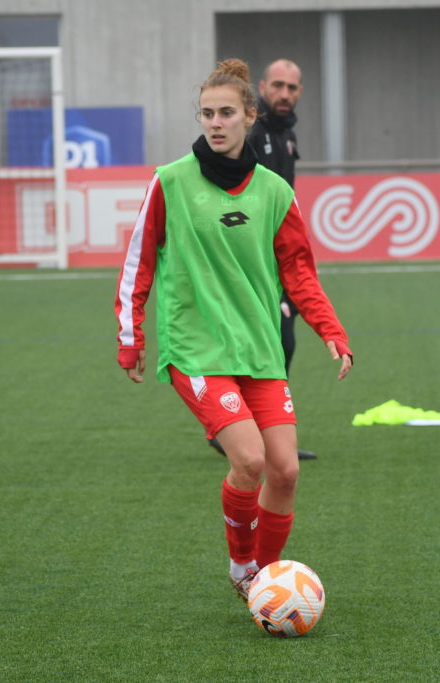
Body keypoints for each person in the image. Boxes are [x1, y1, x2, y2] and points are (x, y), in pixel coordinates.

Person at [114, 59, 353, 600]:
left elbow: (299, 270)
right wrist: (132, 337)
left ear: (250, 116)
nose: (215, 123)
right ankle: (244, 570)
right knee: (249, 460)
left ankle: (268, 579)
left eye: (226, 113)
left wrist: (330, 330)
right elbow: (138, 261)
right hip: (196, 349)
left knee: (285, 472)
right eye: (207, 114)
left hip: (259, 348)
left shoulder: (275, 190)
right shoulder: (170, 181)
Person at [212, 57, 318, 460]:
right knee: (275, 340)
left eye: (291, 88)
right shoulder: (252, 135)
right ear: (262, 88)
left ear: (300, 92)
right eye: (277, 86)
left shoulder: (286, 134)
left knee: (278, 342)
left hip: (277, 257)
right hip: (254, 261)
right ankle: (242, 428)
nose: (284, 94)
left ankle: (248, 428)